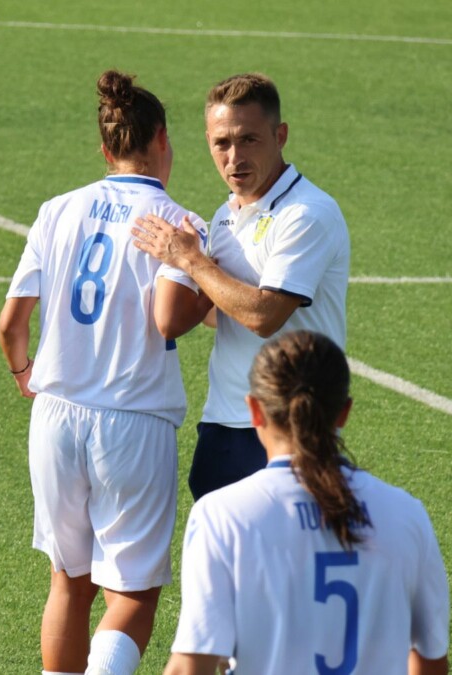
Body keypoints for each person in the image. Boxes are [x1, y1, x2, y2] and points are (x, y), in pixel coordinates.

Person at [0, 69, 236, 675]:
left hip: (53, 415)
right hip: (132, 420)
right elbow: (173, 320)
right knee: (132, 595)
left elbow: (11, 323)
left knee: (67, 584)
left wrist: (25, 371)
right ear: (162, 139)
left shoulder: (57, 210)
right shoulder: (179, 222)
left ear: (106, 150)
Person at [164, 330, 450, 675]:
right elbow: (430, 661)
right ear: (344, 412)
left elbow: (190, 666)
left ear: (255, 410)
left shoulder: (223, 516)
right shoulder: (406, 515)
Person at [132, 73, 350, 501]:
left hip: (291, 427)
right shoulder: (227, 215)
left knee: (286, 564)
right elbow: (223, 310)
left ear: (280, 135)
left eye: (249, 140)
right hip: (225, 423)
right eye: (222, 143)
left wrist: (191, 261)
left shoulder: (307, 214)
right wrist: (178, 291)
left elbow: (263, 315)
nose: (234, 157)